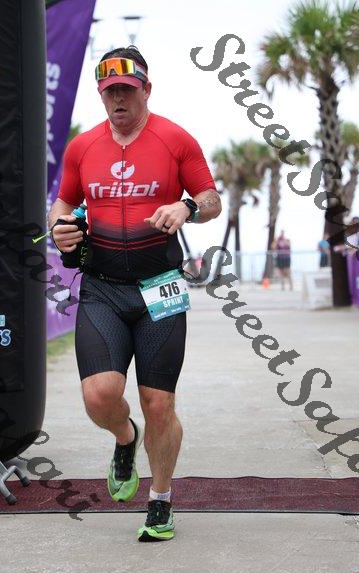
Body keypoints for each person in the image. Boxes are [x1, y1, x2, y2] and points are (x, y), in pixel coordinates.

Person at [47, 46, 221, 542]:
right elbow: (63, 201)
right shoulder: (83, 147)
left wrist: (186, 208)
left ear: (147, 89)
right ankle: (125, 439)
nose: (117, 99)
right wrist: (60, 226)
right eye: (109, 92)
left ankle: (161, 500)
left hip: (159, 288)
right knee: (99, 396)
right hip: (102, 289)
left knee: (158, 403)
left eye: (126, 89)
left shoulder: (176, 139)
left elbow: (211, 200)